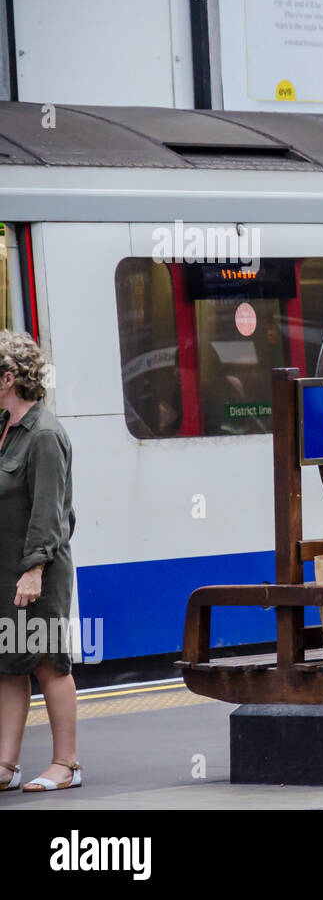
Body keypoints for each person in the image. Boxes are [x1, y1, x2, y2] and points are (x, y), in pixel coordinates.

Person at [0, 330, 81, 792]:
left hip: (38, 572)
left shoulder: (45, 434)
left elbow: (51, 511)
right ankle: (6, 764)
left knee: (49, 663)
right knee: (8, 663)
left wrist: (34, 570)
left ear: (8, 378)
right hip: (6, 571)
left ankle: (65, 764)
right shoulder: (5, 429)